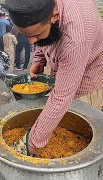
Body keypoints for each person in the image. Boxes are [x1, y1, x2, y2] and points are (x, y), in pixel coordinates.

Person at [6, 0, 103, 156]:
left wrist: (29, 145)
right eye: (27, 36)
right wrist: (39, 59)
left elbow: (61, 97)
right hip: (62, 64)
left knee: (76, 128)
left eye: (36, 35)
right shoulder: (44, 11)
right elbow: (42, 36)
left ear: (55, 16)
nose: (31, 41)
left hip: (85, 81)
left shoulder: (76, 39)